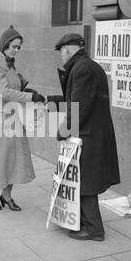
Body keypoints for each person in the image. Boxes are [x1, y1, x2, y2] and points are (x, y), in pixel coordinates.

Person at [47, 33, 120, 241]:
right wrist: (51, 102)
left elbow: (79, 107)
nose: (61, 55)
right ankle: (83, 222)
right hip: (92, 132)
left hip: (89, 135)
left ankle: (94, 229)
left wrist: (63, 131)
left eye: (61, 51)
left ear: (68, 49)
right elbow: (77, 98)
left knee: (85, 182)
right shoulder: (87, 66)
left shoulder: (82, 69)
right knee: (82, 180)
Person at [0, 25, 46, 211]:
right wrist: (30, 97)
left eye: (19, 47)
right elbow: (4, 92)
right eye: (14, 46)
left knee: (15, 158)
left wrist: (28, 90)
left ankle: (7, 195)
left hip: (15, 117)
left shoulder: (9, 63)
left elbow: (15, 87)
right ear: (5, 44)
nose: (16, 50)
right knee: (0, 157)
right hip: (2, 118)